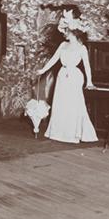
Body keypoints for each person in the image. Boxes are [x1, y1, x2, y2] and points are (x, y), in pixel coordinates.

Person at [37, 10, 98, 144]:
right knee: (60, 103)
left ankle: (73, 133)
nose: (64, 33)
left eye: (66, 30)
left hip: (75, 77)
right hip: (62, 76)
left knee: (73, 104)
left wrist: (89, 82)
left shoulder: (82, 48)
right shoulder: (63, 45)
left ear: (74, 32)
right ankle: (59, 133)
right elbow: (54, 59)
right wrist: (42, 70)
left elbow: (87, 66)